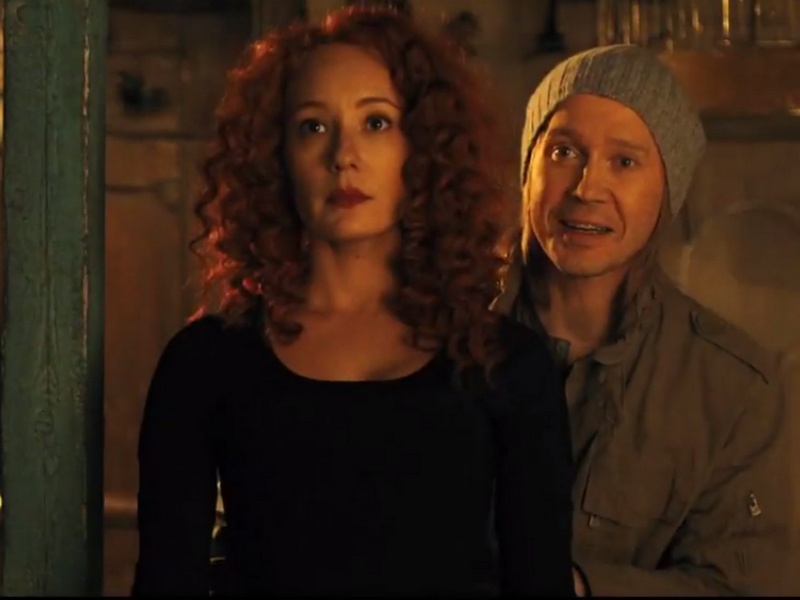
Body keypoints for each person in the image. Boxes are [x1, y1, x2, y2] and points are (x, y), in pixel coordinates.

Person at [131, 6, 575, 597]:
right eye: (314, 126)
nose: (344, 154)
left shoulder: (505, 365)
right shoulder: (206, 364)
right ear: (277, 155)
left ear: (423, 148)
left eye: (377, 122)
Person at [493, 43, 797, 596]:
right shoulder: (429, 334)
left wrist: (575, 587)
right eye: (564, 151)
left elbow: (741, 586)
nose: (586, 188)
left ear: (667, 191)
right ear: (527, 167)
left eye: (625, 162)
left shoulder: (731, 390)